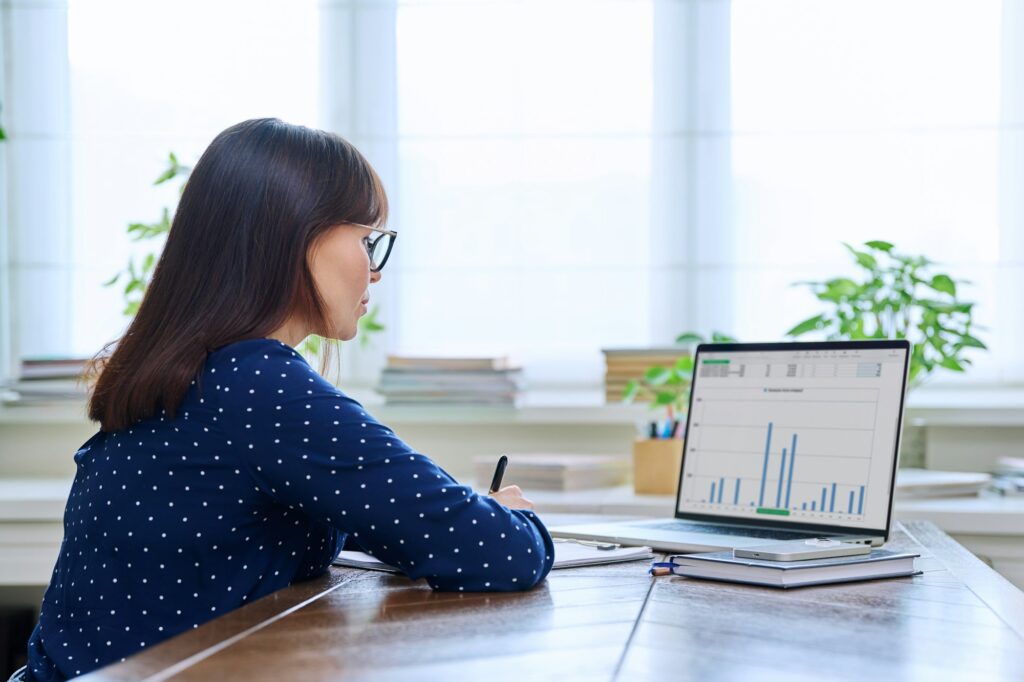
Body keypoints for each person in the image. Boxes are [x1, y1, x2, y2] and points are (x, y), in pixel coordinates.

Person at [21, 119, 554, 681]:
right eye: (366, 239)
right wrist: (510, 516)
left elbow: (379, 518)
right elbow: (503, 553)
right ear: (297, 237)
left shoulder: (199, 372)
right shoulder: (257, 386)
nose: (374, 268)